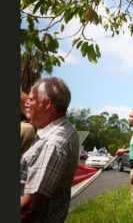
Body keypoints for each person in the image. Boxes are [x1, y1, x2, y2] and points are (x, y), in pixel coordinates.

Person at [20, 77, 80, 223]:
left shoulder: (53, 144)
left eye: (32, 100)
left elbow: (28, 207)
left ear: (47, 104)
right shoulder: (67, 129)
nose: (27, 104)